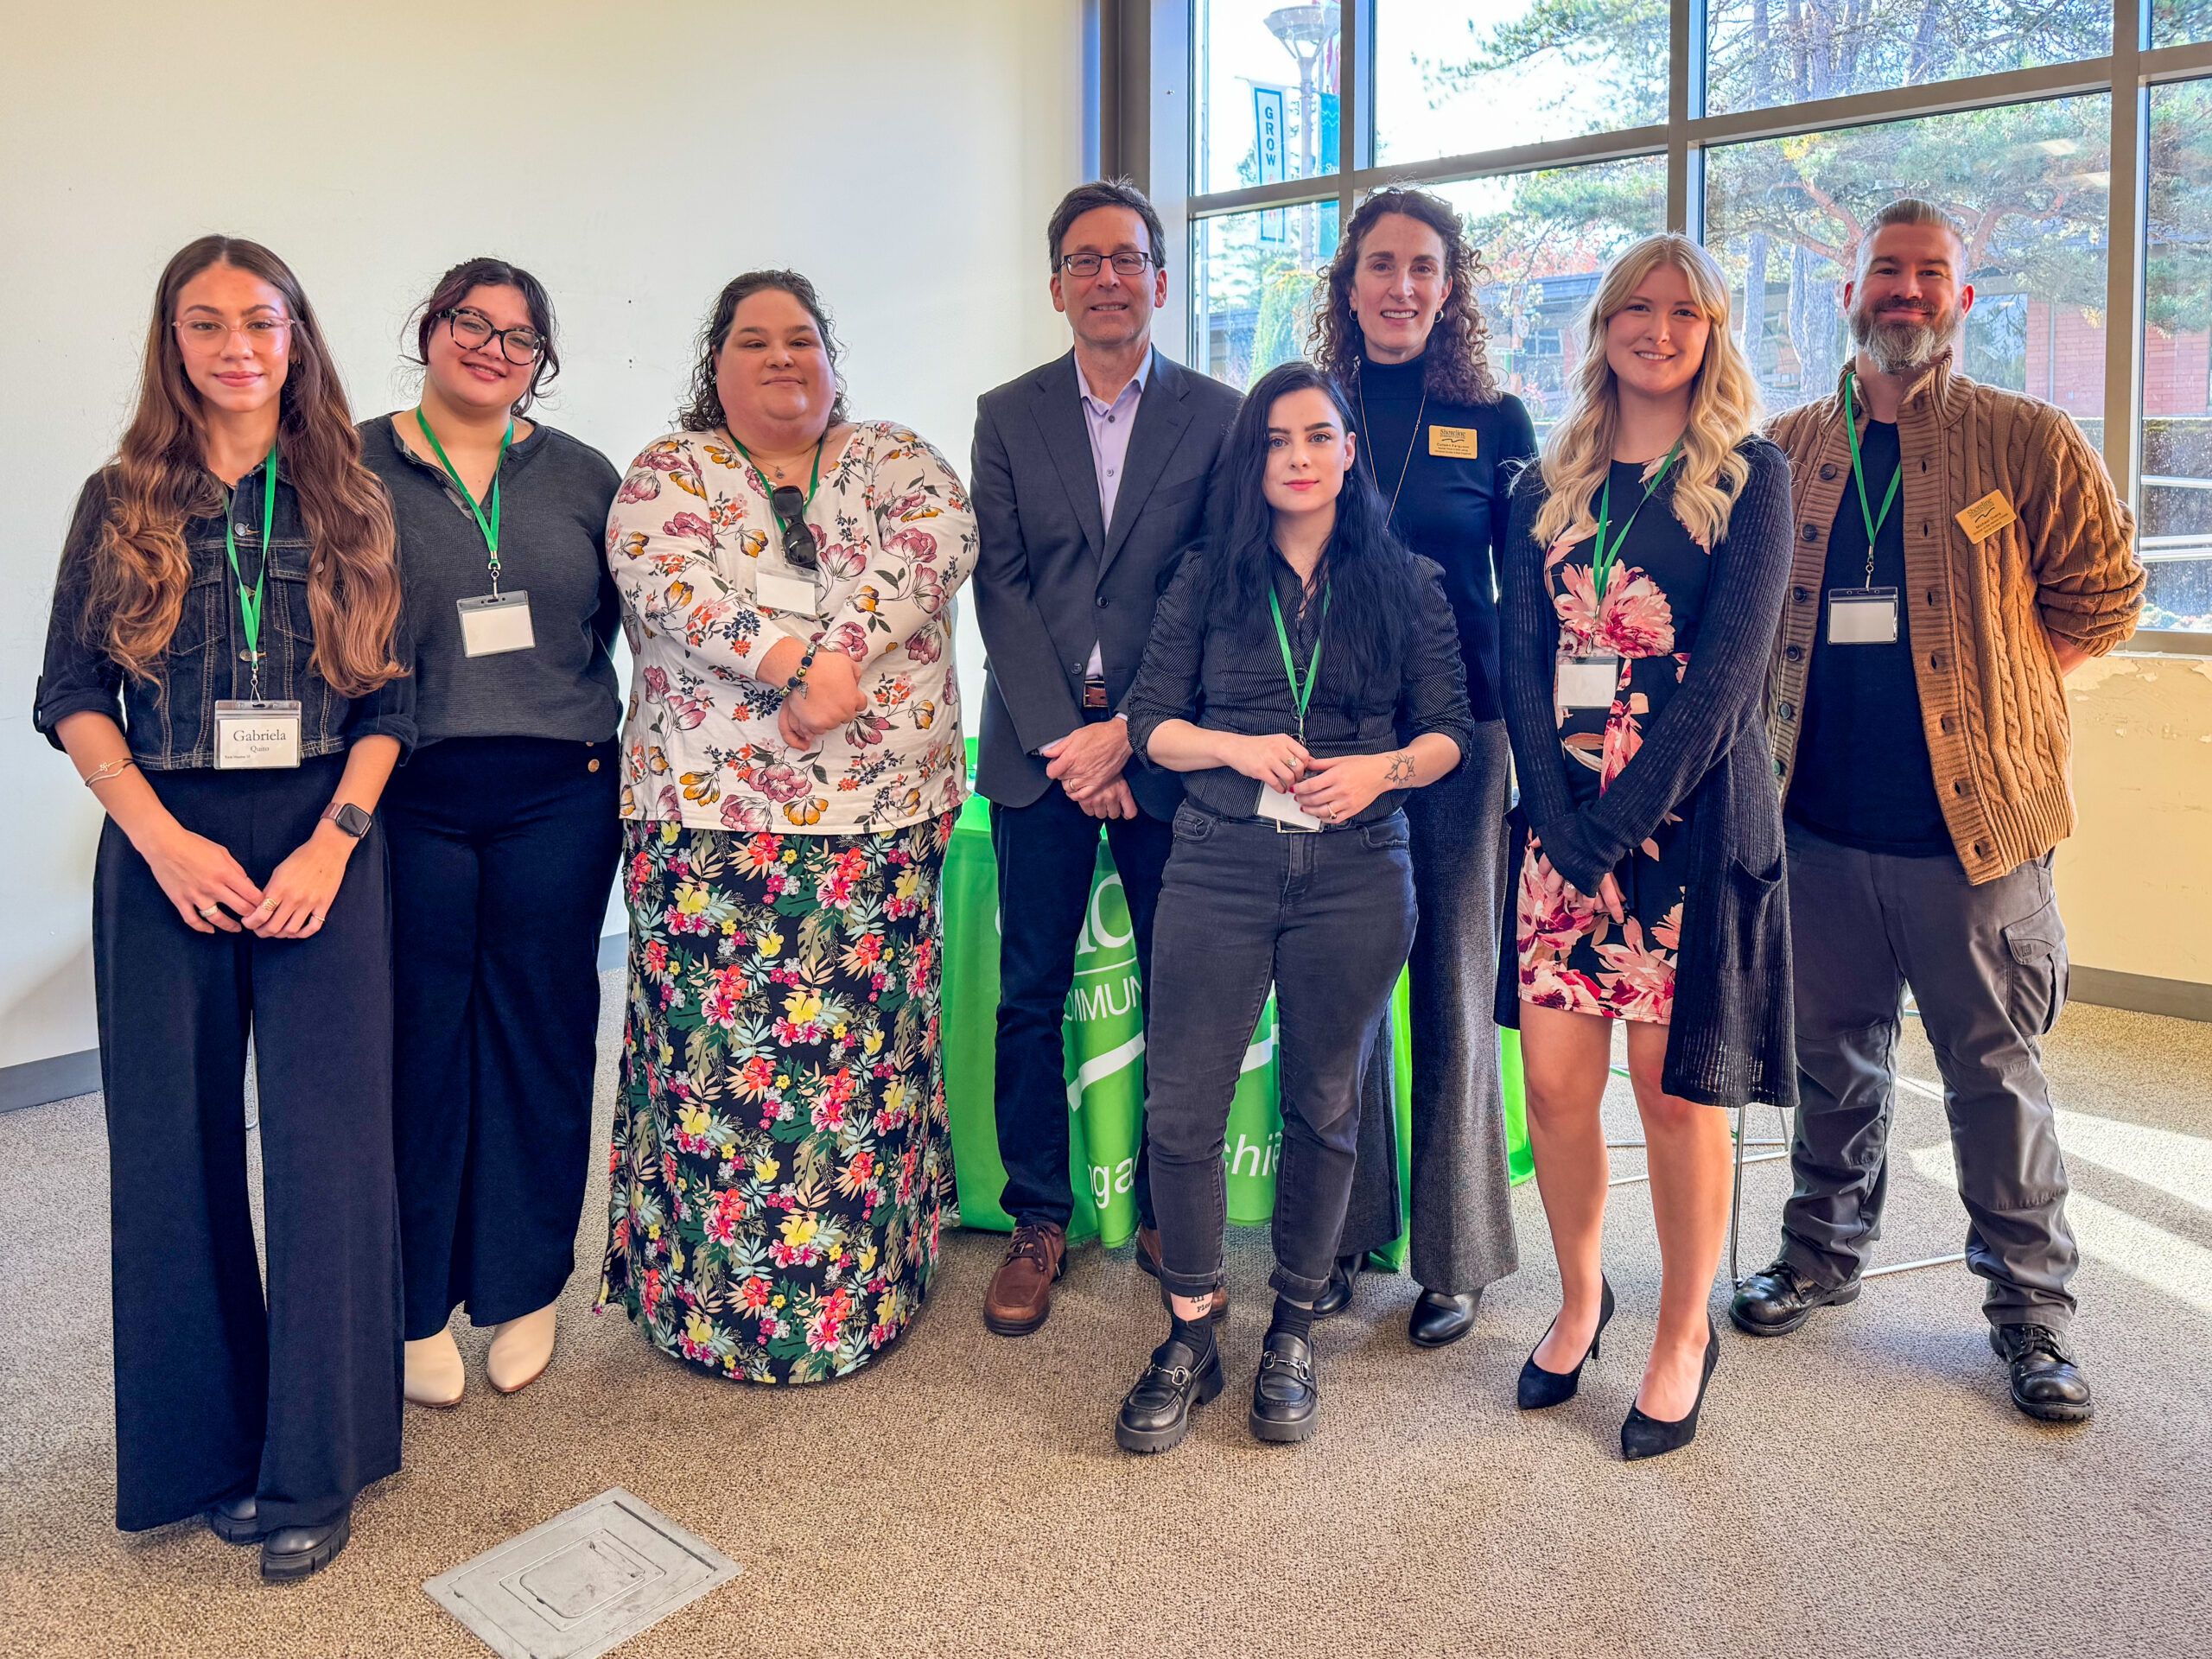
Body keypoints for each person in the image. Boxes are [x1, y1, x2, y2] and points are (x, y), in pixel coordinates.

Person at [33, 235, 411, 1578]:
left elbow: (393, 701)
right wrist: (161, 841)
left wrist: (333, 846)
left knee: (327, 1154)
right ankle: (205, 1449)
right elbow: (69, 691)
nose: (237, 344)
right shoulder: (118, 495)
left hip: (326, 835)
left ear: (297, 337)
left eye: (263, 320)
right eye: (207, 323)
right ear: (171, 341)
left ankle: (318, 1461)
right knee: (171, 1152)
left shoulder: (353, 494)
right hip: (163, 837)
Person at [1732, 199, 2144, 1423]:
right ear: (1850, 292)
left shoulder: (2029, 439)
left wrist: (2005, 688)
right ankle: (1819, 1254)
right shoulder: (1789, 449)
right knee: (1831, 1061)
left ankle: (2030, 1315)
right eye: (1885, 273)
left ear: (1964, 297)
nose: (1904, 292)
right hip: (1816, 829)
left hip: (1974, 839)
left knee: (1993, 1073)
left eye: (1930, 274)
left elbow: (2105, 598)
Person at [598, 270, 977, 1384]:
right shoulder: (671, 472)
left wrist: (837, 659)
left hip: (885, 820)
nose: (781, 358)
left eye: (801, 339)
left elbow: (935, 543)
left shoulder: (891, 455)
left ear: (830, 355)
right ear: (714, 365)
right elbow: (666, 580)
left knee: (863, 1070)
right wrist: (795, 669)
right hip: (708, 827)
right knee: (718, 1075)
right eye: (754, 341)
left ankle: (869, 1292)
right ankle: (715, 1310)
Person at [1113, 361, 1475, 1452]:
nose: (1299, 457)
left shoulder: (1405, 582)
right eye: (1276, 441)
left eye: (1317, 436)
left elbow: (1451, 731)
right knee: (1182, 1111)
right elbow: (1149, 726)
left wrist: (1381, 772)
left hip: (1361, 866)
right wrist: (1231, 744)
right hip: (1219, 858)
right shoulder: (1206, 578)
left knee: (1324, 1106)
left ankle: (1295, 1323)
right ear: (1253, 458)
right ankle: (1191, 1327)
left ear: (1348, 451)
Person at [1495, 233, 1793, 1461]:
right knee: (1559, 1090)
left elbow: (1730, 681)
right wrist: (1563, 831)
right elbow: (1518, 663)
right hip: (1560, 833)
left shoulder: (1751, 476)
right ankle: (1580, 1298)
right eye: (1637, 308)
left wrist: (1615, 829)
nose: (1658, 330)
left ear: (1713, 333)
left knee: (1677, 1101)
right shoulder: (1542, 481)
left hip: (1687, 831)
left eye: (1686, 312)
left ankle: (1682, 1332)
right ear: (1603, 325)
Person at [969, 179, 1242, 1337]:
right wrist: (1064, 739)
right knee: (1028, 993)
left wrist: (1128, 726)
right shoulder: (1006, 412)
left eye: (1128, 258)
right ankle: (1040, 1214)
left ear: (1161, 280)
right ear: (1057, 286)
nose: (1108, 277)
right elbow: (1002, 584)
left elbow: (1210, 580)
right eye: (1085, 260)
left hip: (1159, 744)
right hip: (1039, 749)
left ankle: (1178, 1208)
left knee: (1182, 990)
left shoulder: (1220, 416)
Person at [361, 258, 625, 1408]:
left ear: (541, 362)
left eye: (521, 338)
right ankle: (415, 1300)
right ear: (429, 330)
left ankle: (523, 1289)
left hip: (559, 794)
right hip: (408, 790)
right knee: (414, 1043)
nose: (493, 347)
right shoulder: (351, 462)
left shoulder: (583, 476)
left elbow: (632, 630)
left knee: (542, 1035)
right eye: (472, 323)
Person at [1305, 186, 1535, 1347]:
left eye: (1425, 269)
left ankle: (1456, 1258)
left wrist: (1545, 752)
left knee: (1452, 986)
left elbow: (1532, 600)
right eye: (1383, 265)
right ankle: (1344, 1235)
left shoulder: (1495, 420)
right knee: (1349, 995)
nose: (1403, 286)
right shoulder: (1309, 411)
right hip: (1339, 736)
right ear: (1349, 282)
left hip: (1464, 734)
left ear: (1451, 291)